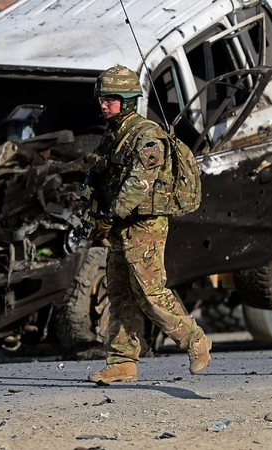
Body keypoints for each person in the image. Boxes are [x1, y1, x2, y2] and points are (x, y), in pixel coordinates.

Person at [86, 64, 211, 383]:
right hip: (120, 224)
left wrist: (112, 213)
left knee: (150, 291)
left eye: (111, 98)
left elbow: (140, 181)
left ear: (128, 100)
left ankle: (194, 339)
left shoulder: (147, 135)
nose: (104, 104)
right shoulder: (113, 135)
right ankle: (122, 361)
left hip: (144, 224)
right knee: (119, 291)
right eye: (102, 97)